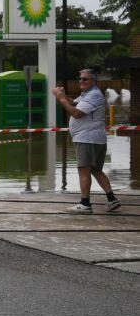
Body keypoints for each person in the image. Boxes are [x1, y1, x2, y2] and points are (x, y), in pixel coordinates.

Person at [53, 68, 120, 214]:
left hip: (87, 138)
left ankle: (85, 204)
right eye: (80, 78)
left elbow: (76, 113)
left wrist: (61, 98)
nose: (81, 81)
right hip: (94, 138)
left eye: (85, 79)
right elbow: (75, 103)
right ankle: (112, 199)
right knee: (96, 170)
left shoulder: (94, 95)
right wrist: (63, 95)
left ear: (94, 81)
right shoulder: (87, 94)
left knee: (83, 170)